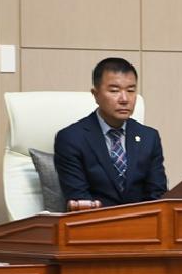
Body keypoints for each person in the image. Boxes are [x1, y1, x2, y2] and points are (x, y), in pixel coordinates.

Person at [54, 57, 167, 207]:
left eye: (131, 90)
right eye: (114, 91)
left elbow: (157, 195)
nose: (124, 99)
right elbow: (79, 197)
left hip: (144, 224)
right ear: (95, 94)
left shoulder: (149, 137)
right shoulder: (71, 138)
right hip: (94, 224)